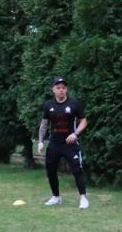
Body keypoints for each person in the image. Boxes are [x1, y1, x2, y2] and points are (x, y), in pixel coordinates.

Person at [37, 77, 88, 209]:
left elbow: (84, 121)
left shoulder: (74, 104)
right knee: (51, 171)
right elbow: (44, 125)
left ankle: (83, 199)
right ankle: (56, 197)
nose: (61, 90)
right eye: (58, 88)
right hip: (54, 144)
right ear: (53, 90)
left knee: (77, 169)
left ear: (66, 89)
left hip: (70, 144)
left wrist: (75, 133)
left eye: (63, 88)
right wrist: (40, 142)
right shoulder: (48, 105)